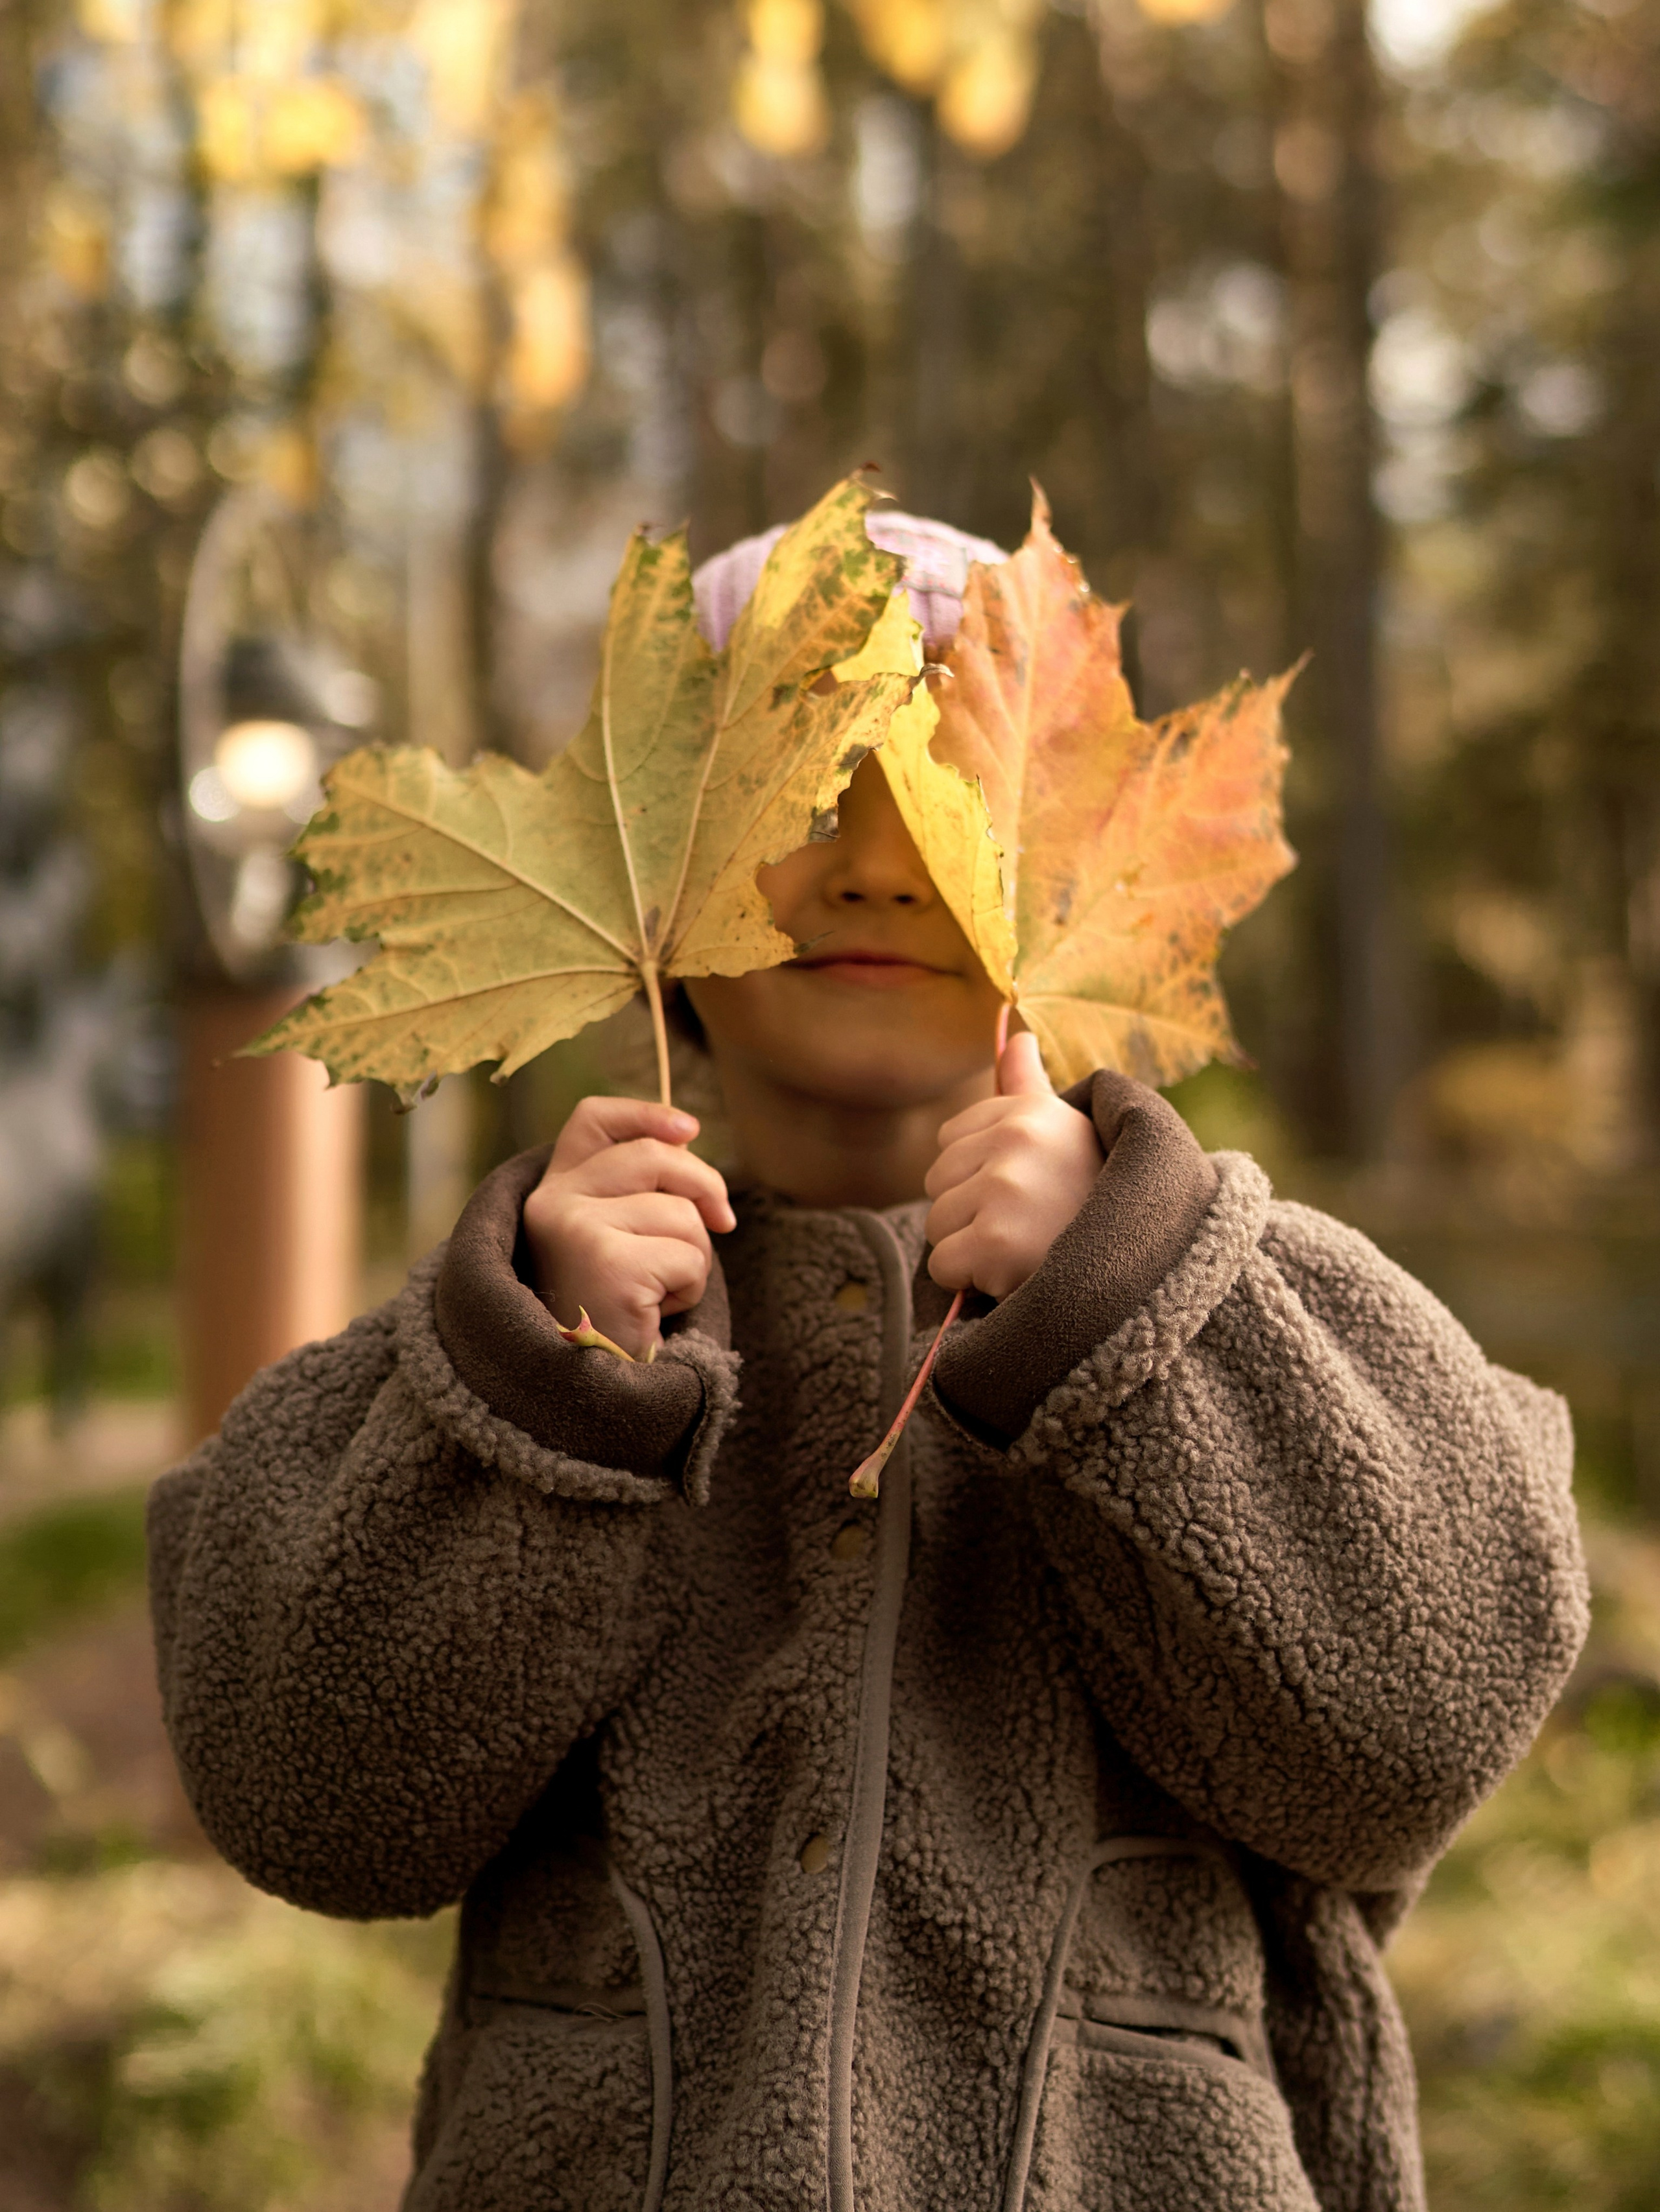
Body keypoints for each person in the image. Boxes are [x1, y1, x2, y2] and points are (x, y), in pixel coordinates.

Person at [148, 512, 1589, 2212]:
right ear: (653, 880)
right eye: (803, 787)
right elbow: (310, 1797)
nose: (878, 862)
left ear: (1065, 869)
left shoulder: (1240, 1298)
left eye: (949, 800)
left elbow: (1420, 1725)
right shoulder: (536, 1328)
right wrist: (547, 1385)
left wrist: (1132, 1316)